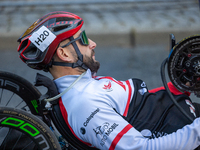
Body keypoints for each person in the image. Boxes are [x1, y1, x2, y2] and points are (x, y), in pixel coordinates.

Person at [17, 11, 200, 150]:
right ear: (64, 54)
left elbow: (140, 105)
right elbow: (142, 148)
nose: (93, 43)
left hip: (183, 113)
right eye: (83, 39)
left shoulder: (83, 83)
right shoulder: (86, 104)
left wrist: (180, 86)